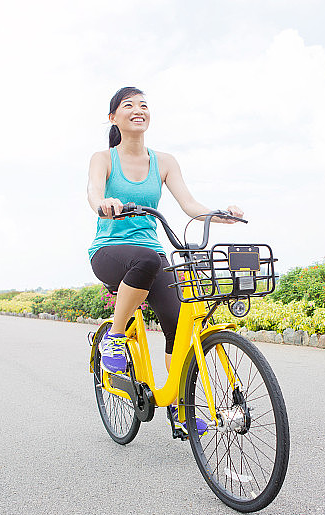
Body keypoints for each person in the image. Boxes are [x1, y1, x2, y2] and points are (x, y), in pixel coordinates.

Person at [86, 87, 242, 435]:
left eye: (143, 105)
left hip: (151, 256)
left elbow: (188, 204)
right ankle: (114, 337)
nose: (137, 110)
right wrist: (104, 203)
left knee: (179, 324)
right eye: (128, 105)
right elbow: (93, 190)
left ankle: (178, 410)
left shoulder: (165, 161)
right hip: (109, 251)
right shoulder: (104, 158)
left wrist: (220, 215)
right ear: (114, 118)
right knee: (146, 259)